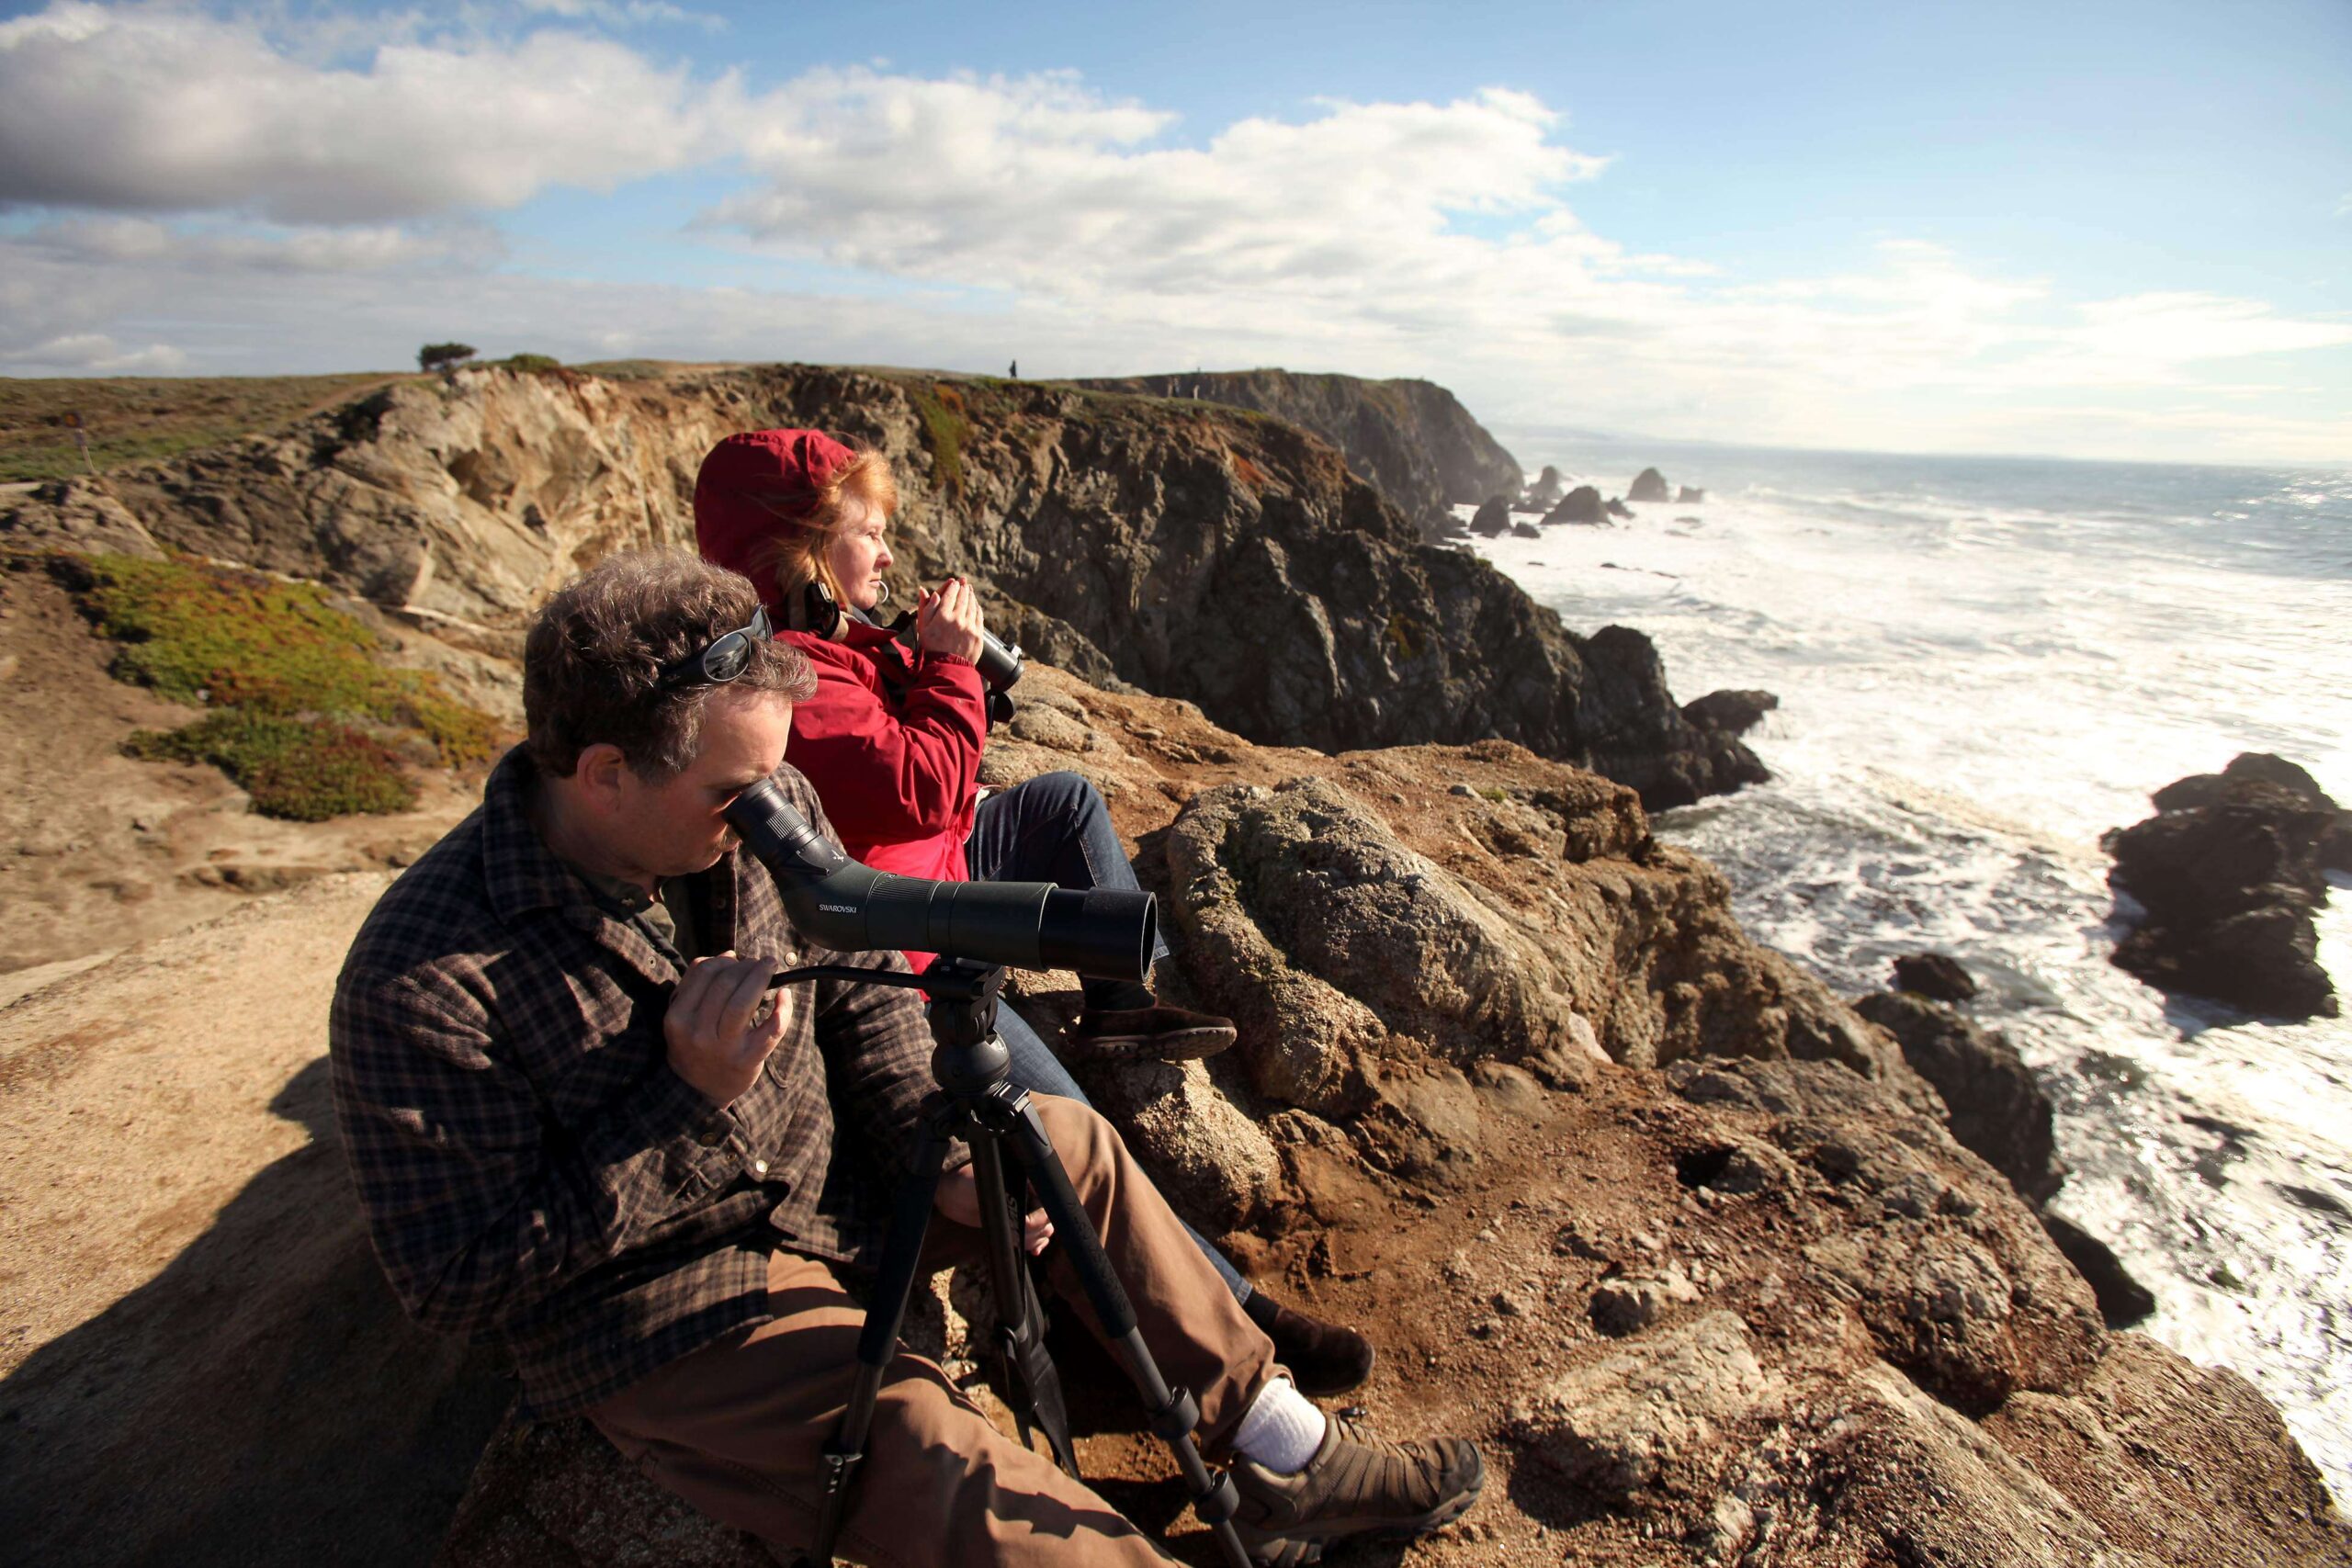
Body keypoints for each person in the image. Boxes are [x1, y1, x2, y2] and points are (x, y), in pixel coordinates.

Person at [328, 553, 1483, 1566]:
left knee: (1058, 1139)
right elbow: (457, 1281)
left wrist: (927, 1152)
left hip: (836, 1184)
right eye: (731, 793)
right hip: (673, 1298)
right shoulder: (426, 975)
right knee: (928, 1444)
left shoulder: (759, 798)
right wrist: (680, 1107)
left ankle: (1284, 1453)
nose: (769, 814)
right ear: (603, 773)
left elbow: (865, 1007)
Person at [692, 427, 1374, 1396]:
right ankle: (1235, 1320)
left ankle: (1118, 1002)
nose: (886, 553)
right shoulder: (785, 673)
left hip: (938, 863)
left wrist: (929, 655)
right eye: (868, 532)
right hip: (915, 934)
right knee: (1067, 1138)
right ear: (798, 545)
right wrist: (951, 667)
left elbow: (927, 768)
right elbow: (921, 783)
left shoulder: (830, 635)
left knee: (1062, 800)